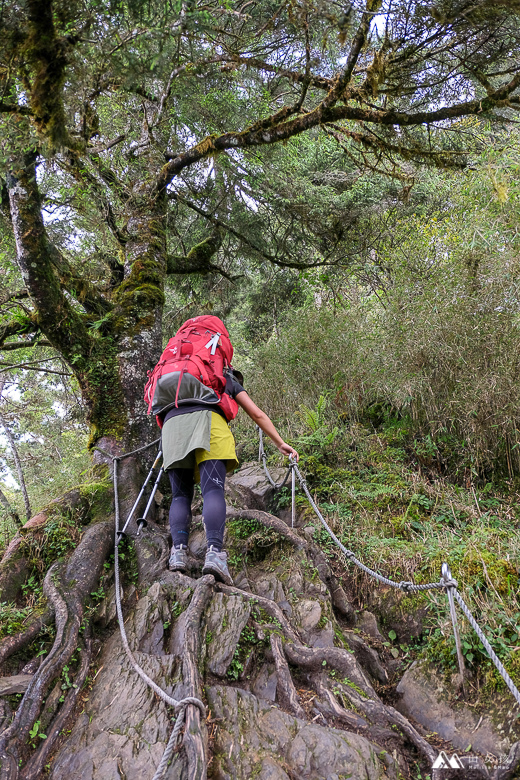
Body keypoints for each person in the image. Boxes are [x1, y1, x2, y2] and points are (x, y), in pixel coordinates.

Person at [161, 365, 298, 585]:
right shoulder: (222, 376)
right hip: (209, 421)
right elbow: (256, 413)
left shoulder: (174, 373)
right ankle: (214, 554)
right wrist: (280, 443)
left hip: (172, 427)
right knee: (213, 490)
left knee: (180, 496)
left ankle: (177, 553)